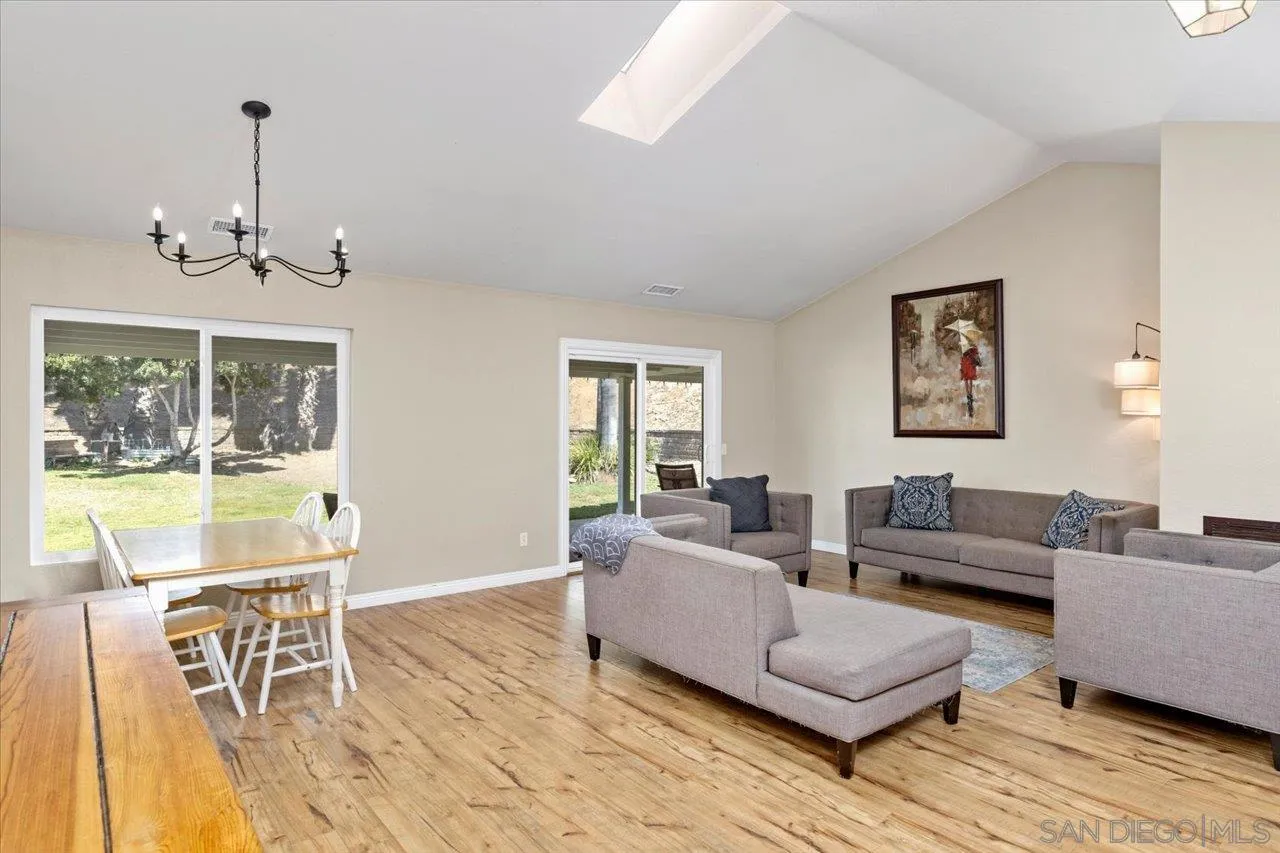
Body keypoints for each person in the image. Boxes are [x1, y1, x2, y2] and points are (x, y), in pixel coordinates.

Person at [960, 343, 981, 418]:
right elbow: (978, 362)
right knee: (970, 383)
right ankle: (970, 400)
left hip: (966, 371)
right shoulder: (973, 351)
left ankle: (969, 399)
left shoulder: (964, 354)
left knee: (967, 382)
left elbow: (962, 364)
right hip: (970, 371)